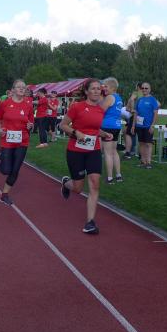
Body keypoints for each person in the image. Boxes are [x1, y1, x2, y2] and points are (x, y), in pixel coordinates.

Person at [59, 79, 114, 234]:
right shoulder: (77, 107)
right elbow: (62, 125)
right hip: (75, 151)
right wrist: (76, 132)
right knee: (78, 188)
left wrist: (105, 134)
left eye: (98, 89)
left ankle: (90, 222)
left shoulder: (100, 110)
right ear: (86, 91)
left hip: (93, 150)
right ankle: (66, 184)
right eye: (93, 88)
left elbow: (94, 129)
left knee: (95, 184)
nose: (96, 91)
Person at [0, 80, 33, 206]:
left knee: (15, 170)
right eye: (19, 87)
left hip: (22, 141)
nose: (22, 89)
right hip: (7, 141)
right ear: (13, 89)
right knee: (6, 170)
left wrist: (30, 126)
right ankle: (0, 160)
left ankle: (4, 195)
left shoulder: (28, 105)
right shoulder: (5, 104)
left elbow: (31, 122)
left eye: (23, 87)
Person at [100, 77, 124, 184]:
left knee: (108, 153)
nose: (104, 88)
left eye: (106, 86)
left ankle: (110, 178)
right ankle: (118, 175)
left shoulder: (109, 97)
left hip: (107, 126)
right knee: (114, 151)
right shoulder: (119, 97)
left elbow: (101, 111)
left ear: (113, 88)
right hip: (116, 126)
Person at [131, 82, 160, 168]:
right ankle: (143, 161)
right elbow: (136, 113)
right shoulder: (139, 100)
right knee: (141, 144)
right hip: (139, 126)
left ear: (150, 89)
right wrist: (133, 125)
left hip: (148, 126)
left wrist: (152, 125)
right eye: (142, 88)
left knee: (148, 144)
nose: (144, 89)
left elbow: (155, 114)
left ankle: (149, 162)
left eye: (146, 88)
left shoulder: (152, 100)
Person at [123, 83, 142, 159]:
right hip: (143, 117)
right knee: (141, 135)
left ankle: (128, 152)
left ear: (138, 87)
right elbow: (158, 104)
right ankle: (141, 154)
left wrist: (132, 109)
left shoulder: (136, 93)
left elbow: (130, 100)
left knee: (129, 133)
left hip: (134, 116)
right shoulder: (148, 95)